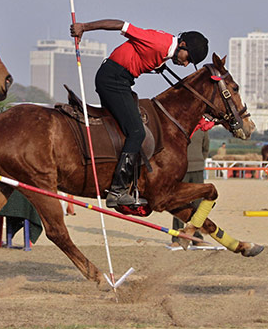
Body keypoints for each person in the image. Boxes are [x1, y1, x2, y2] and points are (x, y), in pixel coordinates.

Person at [70, 19, 209, 208]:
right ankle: (118, 190)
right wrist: (84, 27)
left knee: (126, 128)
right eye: (188, 58)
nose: (185, 64)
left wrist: (156, 64)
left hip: (121, 81)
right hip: (113, 80)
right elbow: (121, 25)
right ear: (182, 45)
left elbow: (142, 56)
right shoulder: (159, 42)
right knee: (137, 132)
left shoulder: (165, 51)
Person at [170, 119, 211, 247]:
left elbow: (205, 148)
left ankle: (196, 238)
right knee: (179, 203)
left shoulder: (202, 130)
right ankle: (177, 239)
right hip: (181, 170)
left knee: (197, 205)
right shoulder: (178, 126)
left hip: (197, 170)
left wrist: (199, 161)